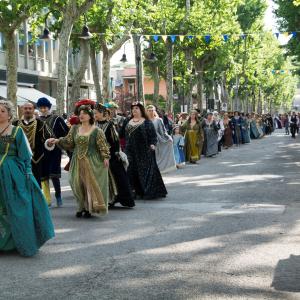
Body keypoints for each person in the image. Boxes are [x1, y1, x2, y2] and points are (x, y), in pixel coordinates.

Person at [0, 100, 54, 257]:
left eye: (2, 111)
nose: (0, 113)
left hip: (12, 174)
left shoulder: (16, 131)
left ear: (9, 114)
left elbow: (24, 155)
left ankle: (15, 243)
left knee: (16, 208)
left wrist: (28, 174)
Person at [47, 105, 110, 218]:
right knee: (75, 183)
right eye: (80, 113)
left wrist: (105, 157)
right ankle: (81, 205)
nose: (81, 115)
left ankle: (87, 208)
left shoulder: (97, 131)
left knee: (88, 185)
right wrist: (56, 140)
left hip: (92, 161)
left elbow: (102, 145)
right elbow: (68, 141)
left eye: (84, 113)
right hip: (77, 160)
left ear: (90, 116)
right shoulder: (75, 128)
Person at [94, 104, 135, 208]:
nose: (94, 115)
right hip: (97, 156)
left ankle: (114, 198)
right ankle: (104, 199)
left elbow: (115, 141)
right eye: (94, 113)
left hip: (111, 155)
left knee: (116, 177)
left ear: (102, 113)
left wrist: (114, 153)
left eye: (96, 113)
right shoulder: (94, 125)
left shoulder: (110, 125)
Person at [125, 102, 167, 200]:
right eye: (133, 108)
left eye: (136, 108)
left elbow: (153, 136)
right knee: (131, 170)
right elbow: (123, 135)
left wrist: (153, 144)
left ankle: (147, 191)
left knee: (145, 171)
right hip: (131, 150)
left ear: (141, 110)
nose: (134, 110)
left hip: (144, 150)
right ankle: (135, 191)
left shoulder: (147, 122)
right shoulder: (128, 121)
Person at [37, 97, 69, 207]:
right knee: (43, 175)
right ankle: (47, 199)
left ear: (49, 107)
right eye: (41, 107)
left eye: (45, 107)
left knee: (54, 174)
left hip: (55, 150)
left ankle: (58, 196)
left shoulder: (57, 119)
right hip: (41, 151)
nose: (43, 109)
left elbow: (66, 132)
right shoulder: (37, 120)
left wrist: (59, 141)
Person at [13, 102, 52, 186]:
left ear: (33, 110)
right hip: (19, 158)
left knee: (36, 182)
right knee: (20, 182)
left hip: (36, 158)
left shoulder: (41, 123)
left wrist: (49, 142)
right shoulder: (15, 124)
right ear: (22, 109)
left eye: (30, 108)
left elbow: (48, 137)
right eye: (25, 108)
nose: (28, 110)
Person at [147, 105, 176, 174]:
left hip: (158, 139)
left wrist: (168, 138)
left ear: (154, 111)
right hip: (148, 139)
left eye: (152, 110)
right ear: (147, 111)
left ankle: (160, 168)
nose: (151, 112)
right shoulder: (145, 120)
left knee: (158, 155)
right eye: (149, 110)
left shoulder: (158, 120)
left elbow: (163, 131)